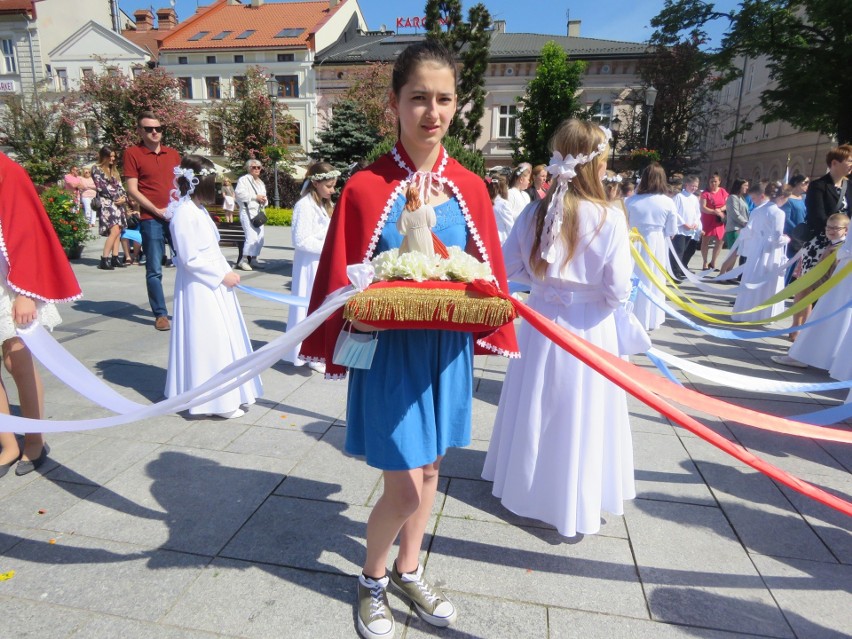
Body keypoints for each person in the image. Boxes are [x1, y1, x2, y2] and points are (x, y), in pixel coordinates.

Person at [300, 40, 517, 639]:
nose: (432, 111)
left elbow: (484, 272)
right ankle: (371, 580)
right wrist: (355, 311)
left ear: (457, 105)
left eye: (444, 98)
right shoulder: (366, 186)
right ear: (395, 104)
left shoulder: (471, 188)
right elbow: (345, 275)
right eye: (418, 97)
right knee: (401, 487)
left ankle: (409, 567)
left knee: (430, 475)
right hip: (391, 354)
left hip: (444, 355)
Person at [482, 119, 634, 537]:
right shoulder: (609, 218)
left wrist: (542, 282)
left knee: (534, 401)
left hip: (539, 321)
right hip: (588, 327)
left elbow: (507, 265)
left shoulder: (535, 210)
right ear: (597, 164)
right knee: (580, 410)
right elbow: (619, 289)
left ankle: (525, 486)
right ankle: (572, 494)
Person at [0, 152, 82, 478]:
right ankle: (7, 442)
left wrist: (24, 294)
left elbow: (28, 234)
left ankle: (34, 439)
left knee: (16, 359)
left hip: (9, 282)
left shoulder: (9, 172)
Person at [164, 155, 262, 419]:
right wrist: (221, 275)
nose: (217, 187)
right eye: (212, 182)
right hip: (201, 286)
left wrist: (226, 271)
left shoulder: (198, 209)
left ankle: (224, 394)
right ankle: (215, 401)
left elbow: (208, 249)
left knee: (219, 336)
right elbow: (189, 257)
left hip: (213, 282)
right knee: (210, 339)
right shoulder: (184, 213)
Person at [124, 111, 182, 332]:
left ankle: (188, 306)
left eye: (158, 128)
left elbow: (180, 184)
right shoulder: (133, 153)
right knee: (154, 268)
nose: (154, 132)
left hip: (175, 216)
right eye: (149, 129)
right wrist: (156, 210)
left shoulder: (172, 154)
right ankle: (160, 314)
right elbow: (132, 189)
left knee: (186, 262)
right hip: (151, 218)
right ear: (140, 131)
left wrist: (177, 207)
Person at [772, 213, 849, 368]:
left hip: (827, 290)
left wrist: (814, 286)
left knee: (818, 323)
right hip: (825, 288)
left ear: (846, 230)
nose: (831, 230)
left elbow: (829, 272)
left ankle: (803, 355)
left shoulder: (839, 249)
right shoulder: (834, 245)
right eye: (829, 227)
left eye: (836, 228)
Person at [284, 162, 339, 372]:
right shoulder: (304, 206)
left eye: (334, 185)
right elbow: (300, 240)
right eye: (329, 186)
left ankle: (318, 351)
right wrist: (329, 248)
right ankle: (310, 354)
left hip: (321, 263)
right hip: (310, 265)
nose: (332, 190)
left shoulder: (323, 205)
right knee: (310, 308)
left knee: (320, 308)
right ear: (316, 183)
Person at [626, 162, 678, 331]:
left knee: (633, 278)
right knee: (653, 280)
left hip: (634, 243)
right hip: (656, 244)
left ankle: (629, 315)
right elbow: (672, 230)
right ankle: (650, 319)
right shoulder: (668, 203)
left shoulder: (631, 200)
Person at [731, 183, 789, 322]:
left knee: (753, 276)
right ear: (781, 197)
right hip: (771, 250)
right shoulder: (779, 213)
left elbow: (751, 231)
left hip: (757, 248)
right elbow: (777, 238)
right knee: (767, 280)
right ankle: (763, 313)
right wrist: (786, 239)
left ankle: (746, 311)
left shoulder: (757, 210)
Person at [92, 146, 128, 271]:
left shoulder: (114, 170)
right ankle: (104, 258)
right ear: (104, 157)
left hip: (118, 203)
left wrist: (124, 197)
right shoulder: (97, 169)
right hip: (107, 203)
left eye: (114, 156)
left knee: (118, 230)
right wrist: (117, 197)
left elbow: (120, 186)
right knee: (113, 231)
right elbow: (102, 187)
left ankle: (115, 257)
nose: (112, 159)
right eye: (110, 156)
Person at [234, 159, 267, 271]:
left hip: (258, 212)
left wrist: (263, 200)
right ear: (249, 168)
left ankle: (254, 259)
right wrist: (255, 197)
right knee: (251, 237)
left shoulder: (261, 182)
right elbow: (239, 194)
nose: (257, 169)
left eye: (259, 167)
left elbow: (264, 196)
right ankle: (243, 260)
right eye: (254, 167)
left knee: (260, 238)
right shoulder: (244, 180)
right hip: (247, 211)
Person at [671, 175, 701, 278]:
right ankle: (675, 272)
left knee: (684, 250)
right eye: (692, 186)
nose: (694, 188)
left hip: (690, 229)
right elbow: (675, 212)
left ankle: (681, 269)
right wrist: (684, 223)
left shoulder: (694, 199)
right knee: (678, 250)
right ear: (686, 185)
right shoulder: (679, 197)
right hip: (680, 229)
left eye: (696, 186)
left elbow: (697, 213)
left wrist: (696, 222)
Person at [699, 173, 728, 270]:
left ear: (719, 182)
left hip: (719, 219)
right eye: (711, 182)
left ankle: (713, 262)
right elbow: (703, 208)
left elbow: (727, 204)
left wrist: (720, 210)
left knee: (720, 241)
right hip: (708, 219)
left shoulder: (723, 191)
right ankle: (705, 262)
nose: (713, 183)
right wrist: (713, 211)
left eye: (715, 181)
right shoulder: (705, 194)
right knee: (705, 241)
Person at [781, 174, 808, 258]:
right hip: (792, 236)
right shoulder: (788, 199)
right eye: (805, 182)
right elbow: (786, 219)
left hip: (803, 235)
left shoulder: (804, 198)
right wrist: (797, 232)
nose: (807, 185)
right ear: (796, 183)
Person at [486, 175, 514, 243]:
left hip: (489, 237)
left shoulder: (486, 201)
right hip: (502, 239)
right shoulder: (503, 204)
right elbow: (510, 225)